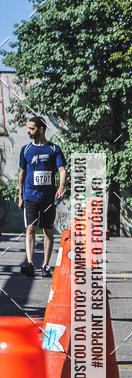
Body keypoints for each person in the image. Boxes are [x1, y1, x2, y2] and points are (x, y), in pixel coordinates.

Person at [17, 116, 66, 277]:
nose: (28, 131)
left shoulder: (53, 149)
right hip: (30, 195)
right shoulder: (26, 149)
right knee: (30, 228)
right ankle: (30, 263)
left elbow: (62, 170)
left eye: (32, 128)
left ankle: (45, 265)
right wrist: (20, 195)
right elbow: (22, 173)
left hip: (48, 197)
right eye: (28, 128)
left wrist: (61, 187)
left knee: (48, 230)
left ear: (41, 129)